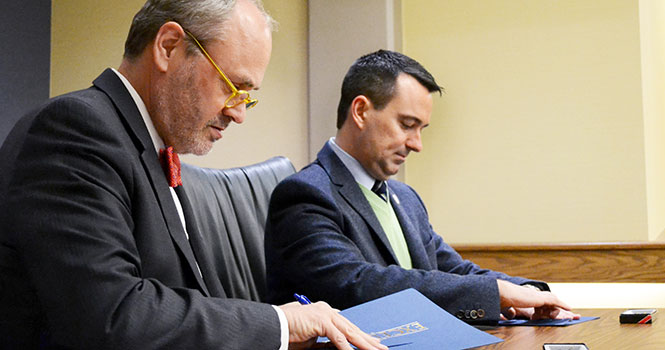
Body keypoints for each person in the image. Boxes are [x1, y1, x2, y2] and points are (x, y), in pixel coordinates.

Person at [0, 1, 387, 349]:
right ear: (168, 47)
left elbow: (193, 300)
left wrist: (290, 332)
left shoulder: (149, 146)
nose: (239, 113)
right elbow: (112, 317)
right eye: (233, 86)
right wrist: (280, 324)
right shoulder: (75, 128)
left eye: (247, 95)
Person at [265, 49, 580, 324]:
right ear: (361, 111)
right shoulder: (306, 194)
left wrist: (528, 292)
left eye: (421, 129)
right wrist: (494, 294)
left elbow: (453, 270)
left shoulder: (404, 197)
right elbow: (355, 285)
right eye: (406, 125)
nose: (417, 145)